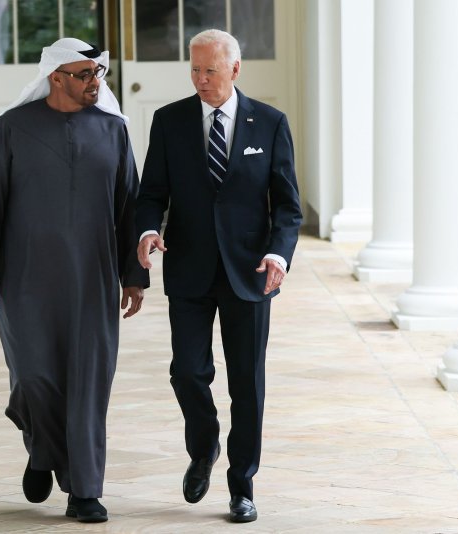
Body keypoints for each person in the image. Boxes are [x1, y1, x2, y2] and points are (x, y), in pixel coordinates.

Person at [0, 37, 148, 524]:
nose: (95, 82)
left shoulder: (113, 131)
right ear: (56, 78)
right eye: (84, 74)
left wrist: (133, 278)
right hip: (23, 277)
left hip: (93, 277)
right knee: (34, 376)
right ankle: (41, 446)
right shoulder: (13, 128)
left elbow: (130, 207)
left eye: (98, 75)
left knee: (88, 382)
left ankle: (84, 490)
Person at [135, 29, 302, 523]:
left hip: (251, 273)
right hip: (188, 267)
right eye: (194, 70)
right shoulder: (169, 122)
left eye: (210, 70)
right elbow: (151, 193)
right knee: (187, 372)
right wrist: (148, 230)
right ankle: (204, 446)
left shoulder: (270, 123)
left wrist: (279, 255)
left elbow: (288, 207)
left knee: (247, 384)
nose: (201, 79)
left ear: (235, 69)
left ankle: (242, 484)